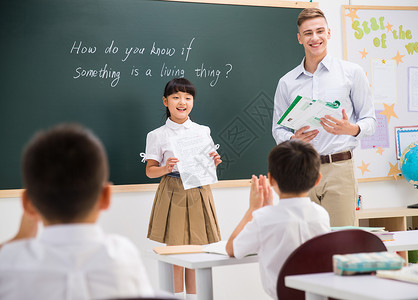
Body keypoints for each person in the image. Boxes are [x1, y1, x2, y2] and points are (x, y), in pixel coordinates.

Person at [0, 123, 154, 300]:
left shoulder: (10, 263)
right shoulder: (123, 255)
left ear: (28, 204)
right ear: (105, 197)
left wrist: (21, 237)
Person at [272, 8, 376, 226]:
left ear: (329, 33)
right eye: (308, 33)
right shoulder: (286, 82)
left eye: (320, 31)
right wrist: (292, 140)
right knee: (305, 242)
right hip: (300, 169)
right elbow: (278, 130)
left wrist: (352, 129)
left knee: (342, 240)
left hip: (339, 167)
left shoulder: (351, 72)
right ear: (300, 38)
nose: (315, 38)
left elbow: (370, 121)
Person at [143, 77, 222, 299]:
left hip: (198, 188)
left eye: (187, 97)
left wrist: (213, 162)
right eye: (176, 97)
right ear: (165, 101)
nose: (182, 102)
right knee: (176, 251)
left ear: (193, 102)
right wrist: (165, 168)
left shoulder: (202, 131)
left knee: (197, 252)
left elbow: (205, 162)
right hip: (173, 189)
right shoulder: (157, 135)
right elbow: (150, 171)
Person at [226, 140, 331, 299]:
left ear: (271, 179)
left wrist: (253, 209)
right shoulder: (321, 214)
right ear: (317, 179)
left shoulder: (264, 219)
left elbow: (232, 249)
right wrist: (267, 209)